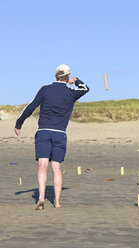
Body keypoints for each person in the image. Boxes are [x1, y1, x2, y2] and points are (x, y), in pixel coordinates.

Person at [14, 64, 89, 210]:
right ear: (67, 77)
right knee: (56, 167)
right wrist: (77, 80)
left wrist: (19, 123)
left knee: (42, 164)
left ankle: (41, 197)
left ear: (55, 76)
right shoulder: (71, 93)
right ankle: (57, 202)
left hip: (43, 131)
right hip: (60, 133)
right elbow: (86, 88)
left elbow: (30, 107)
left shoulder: (45, 89)